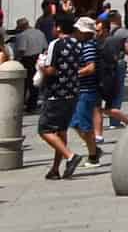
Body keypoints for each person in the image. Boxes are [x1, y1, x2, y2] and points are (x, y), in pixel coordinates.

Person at [36, 14, 86, 179]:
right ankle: (55, 169)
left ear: (58, 28)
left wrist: (41, 66)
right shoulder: (78, 44)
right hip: (72, 92)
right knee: (61, 131)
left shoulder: (55, 44)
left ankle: (70, 156)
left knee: (44, 129)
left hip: (56, 93)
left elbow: (50, 70)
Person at [67, 17, 105, 169]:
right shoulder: (84, 44)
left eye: (78, 30)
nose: (75, 33)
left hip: (87, 90)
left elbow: (91, 67)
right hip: (82, 90)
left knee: (83, 125)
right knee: (75, 122)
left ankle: (93, 156)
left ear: (84, 32)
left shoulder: (88, 46)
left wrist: (74, 73)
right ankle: (94, 149)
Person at [93, 9, 128, 135]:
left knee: (98, 104)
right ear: (118, 18)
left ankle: (98, 133)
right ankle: (115, 122)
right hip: (115, 66)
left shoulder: (97, 36)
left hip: (101, 70)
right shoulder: (123, 32)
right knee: (116, 95)